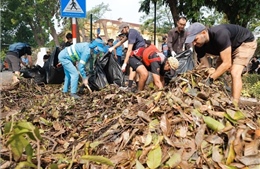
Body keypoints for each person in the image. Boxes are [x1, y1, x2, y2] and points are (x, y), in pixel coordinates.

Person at [185, 22, 257, 105]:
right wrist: (209, 73)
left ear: (204, 33)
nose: (194, 43)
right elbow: (206, 67)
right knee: (217, 72)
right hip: (229, 47)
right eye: (192, 41)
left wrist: (210, 79)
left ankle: (235, 104)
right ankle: (220, 95)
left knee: (235, 72)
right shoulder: (199, 46)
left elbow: (227, 63)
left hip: (245, 42)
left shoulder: (220, 34)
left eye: (195, 39)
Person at [109, 22, 146, 91]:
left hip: (140, 50)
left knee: (131, 61)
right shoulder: (128, 33)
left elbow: (129, 50)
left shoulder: (132, 33)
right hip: (137, 50)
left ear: (126, 28)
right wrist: (113, 47)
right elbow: (121, 42)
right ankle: (134, 86)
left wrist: (124, 64)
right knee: (132, 67)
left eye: (122, 30)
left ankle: (132, 87)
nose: (122, 32)